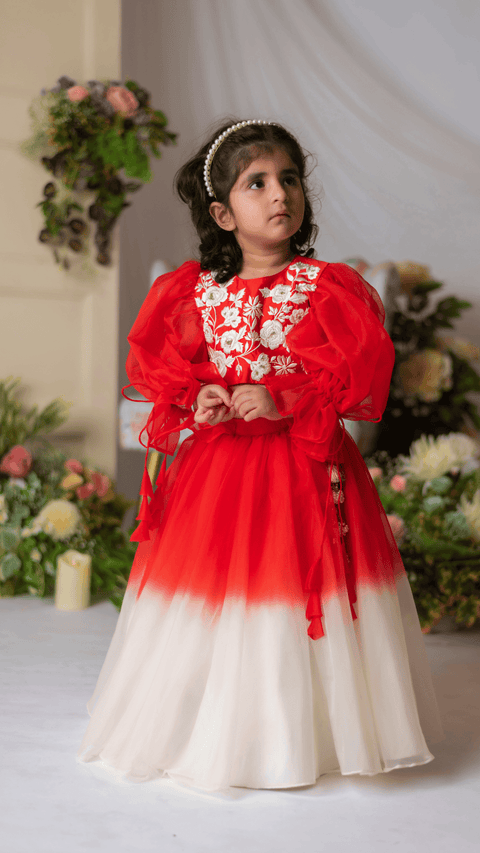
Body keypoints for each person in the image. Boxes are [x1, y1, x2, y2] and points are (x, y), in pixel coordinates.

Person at [77, 119, 444, 792]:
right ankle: (215, 728)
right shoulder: (195, 292)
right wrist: (206, 397)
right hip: (219, 474)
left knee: (301, 588)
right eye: (258, 183)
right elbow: (170, 377)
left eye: (290, 178)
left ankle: (309, 731)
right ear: (223, 212)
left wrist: (281, 398)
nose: (281, 194)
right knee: (217, 594)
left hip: (306, 468)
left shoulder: (326, 286)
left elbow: (355, 384)